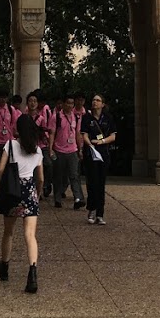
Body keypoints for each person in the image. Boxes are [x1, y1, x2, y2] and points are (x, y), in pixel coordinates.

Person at [0, 109, 44, 294]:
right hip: (29, 191)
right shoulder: (37, 150)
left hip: (13, 191)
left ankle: (4, 266)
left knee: (8, 232)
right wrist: (36, 195)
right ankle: (32, 273)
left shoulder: (11, 145)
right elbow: (41, 179)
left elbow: (0, 170)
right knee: (30, 235)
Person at [80, 94, 116, 225]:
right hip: (91, 153)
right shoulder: (86, 118)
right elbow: (84, 135)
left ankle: (100, 213)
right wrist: (90, 145)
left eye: (98, 100)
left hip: (103, 153)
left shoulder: (108, 118)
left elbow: (113, 136)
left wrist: (102, 142)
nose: (95, 102)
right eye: (93, 100)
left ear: (103, 104)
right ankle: (92, 210)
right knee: (92, 182)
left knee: (101, 184)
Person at [49, 92, 85, 210]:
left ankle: (78, 198)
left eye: (72, 103)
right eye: (68, 103)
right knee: (59, 175)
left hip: (72, 149)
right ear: (63, 104)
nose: (70, 106)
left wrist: (80, 149)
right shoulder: (57, 117)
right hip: (59, 149)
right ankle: (57, 198)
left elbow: (78, 134)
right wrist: (50, 149)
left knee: (74, 175)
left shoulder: (75, 117)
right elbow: (52, 133)